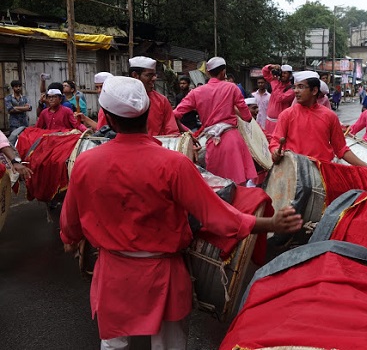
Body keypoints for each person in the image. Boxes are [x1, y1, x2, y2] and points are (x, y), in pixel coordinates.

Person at [60, 76, 302, 350]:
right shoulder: (174, 164)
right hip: (163, 274)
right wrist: (270, 222)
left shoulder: (86, 163)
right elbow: (218, 216)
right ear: (149, 112)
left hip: (114, 274)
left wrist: (69, 238)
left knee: (114, 344)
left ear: (110, 120)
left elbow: (70, 218)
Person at [174, 57, 257, 184]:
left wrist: (188, 132)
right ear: (223, 72)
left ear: (208, 73)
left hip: (212, 143)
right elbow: (247, 117)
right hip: (232, 140)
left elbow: (174, 115)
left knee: (217, 186)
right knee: (240, 185)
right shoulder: (232, 88)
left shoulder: (196, 92)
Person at [269, 70, 367, 167]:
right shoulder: (286, 115)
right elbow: (275, 142)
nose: (296, 91)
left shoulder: (330, 116)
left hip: (323, 173)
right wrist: (276, 152)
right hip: (295, 172)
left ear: (314, 90)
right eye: (295, 87)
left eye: (301, 87)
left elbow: (341, 149)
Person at [98, 56, 179, 136]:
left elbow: (172, 132)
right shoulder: (114, 100)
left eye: (154, 75)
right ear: (135, 75)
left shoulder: (162, 101)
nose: (154, 78)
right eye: (149, 75)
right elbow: (102, 135)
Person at [262, 64, 294, 133]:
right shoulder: (277, 82)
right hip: (269, 121)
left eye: (285, 73)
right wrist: (272, 66)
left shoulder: (292, 89)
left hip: (280, 123)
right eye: (281, 72)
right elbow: (264, 71)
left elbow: (279, 98)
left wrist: (274, 82)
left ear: (290, 75)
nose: (282, 75)